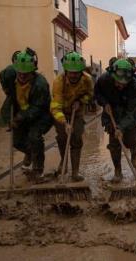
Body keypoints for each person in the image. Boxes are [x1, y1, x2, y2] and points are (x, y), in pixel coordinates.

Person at [0, 48, 53, 181]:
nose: (22, 76)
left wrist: (20, 117)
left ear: (33, 71)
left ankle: (38, 171)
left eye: (26, 74)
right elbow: (1, 75)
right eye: (19, 73)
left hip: (41, 115)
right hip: (20, 110)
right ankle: (31, 153)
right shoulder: (10, 73)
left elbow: (37, 108)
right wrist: (6, 89)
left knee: (35, 137)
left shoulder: (41, 84)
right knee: (16, 141)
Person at [94, 57, 136, 182]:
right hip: (112, 114)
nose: (121, 85)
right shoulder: (103, 80)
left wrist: (121, 127)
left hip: (128, 115)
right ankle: (118, 171)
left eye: (124, 84)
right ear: (112, 75)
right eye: (118, 82)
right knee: (114, 144)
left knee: (130, 139)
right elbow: (97, 94)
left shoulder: (134, 86)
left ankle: (134, 151)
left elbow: (133, 112)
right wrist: (104, 103)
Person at [50, 51, 93, 182]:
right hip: (61, 112)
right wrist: (65, 123)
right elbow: (55, 107)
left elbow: (90, 95)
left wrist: (81, 101)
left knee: (76, 138)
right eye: (71, 72)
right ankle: (64, 162)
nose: (74, 75)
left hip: (77, 112)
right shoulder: (58, 82)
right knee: (62, 137)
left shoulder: (87, 79)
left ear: (81, 71)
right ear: (66, 70)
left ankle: (75, 172)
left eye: (77, 72)